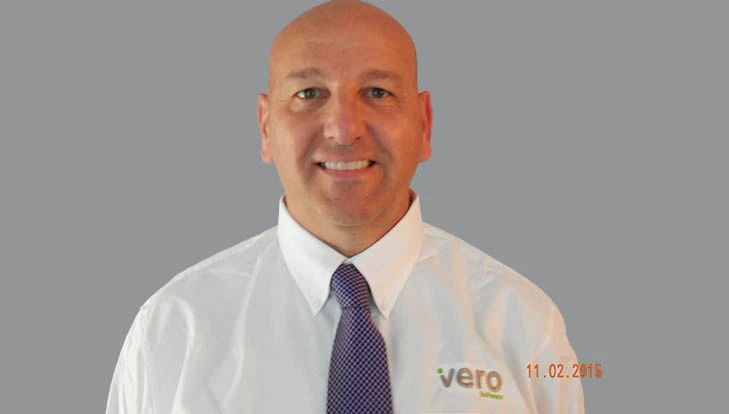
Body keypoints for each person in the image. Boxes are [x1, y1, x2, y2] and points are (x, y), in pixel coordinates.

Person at [106, 1, 584, 412]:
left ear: (424, 124)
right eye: (308, 94)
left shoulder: (523, 323)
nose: (343, 128)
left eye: (377, 93)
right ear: (266, 127)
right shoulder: (174, 328)